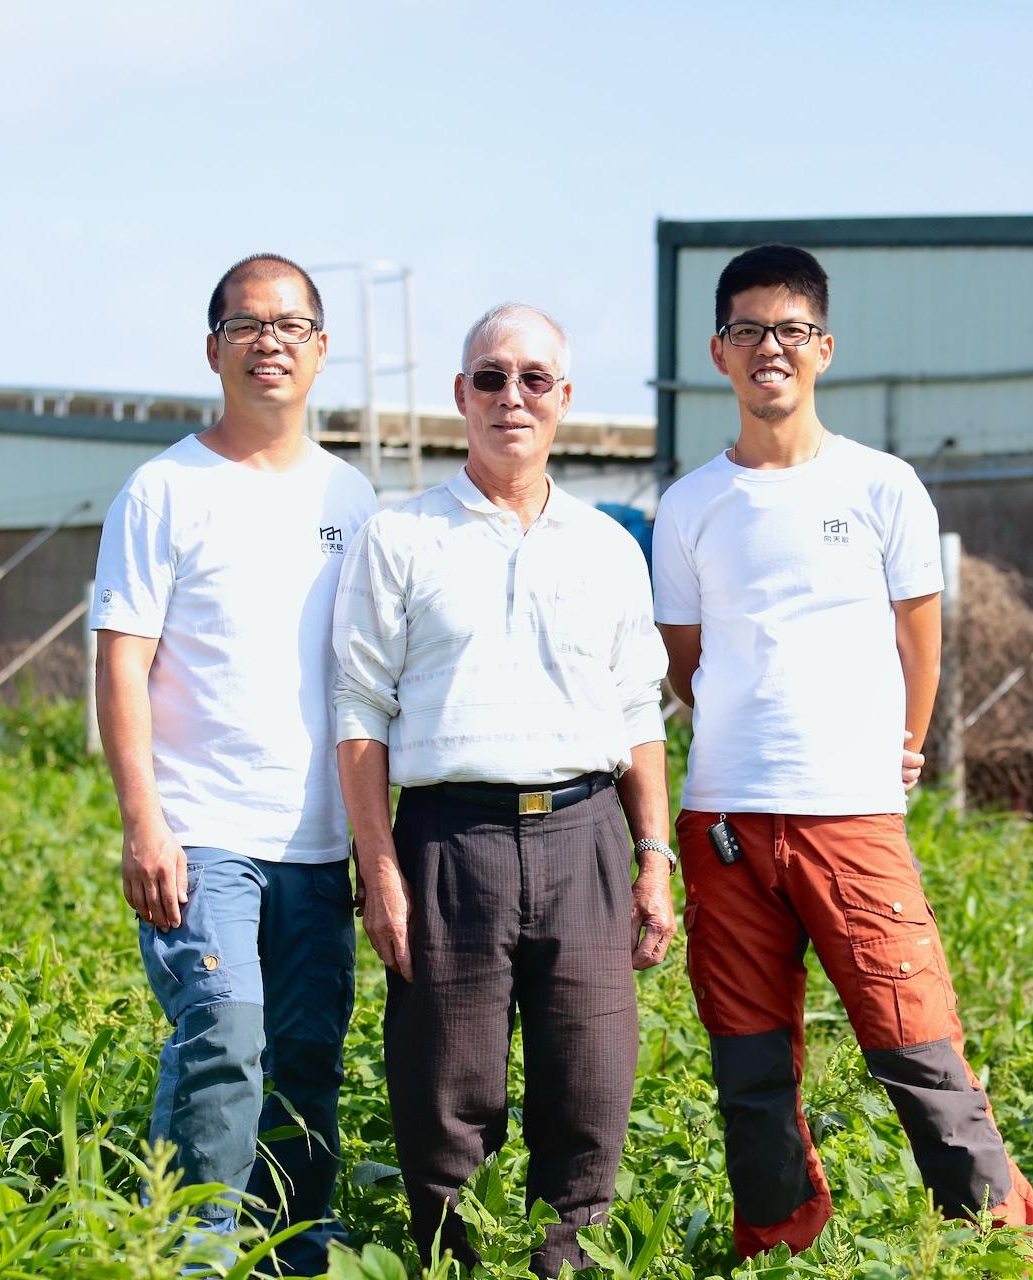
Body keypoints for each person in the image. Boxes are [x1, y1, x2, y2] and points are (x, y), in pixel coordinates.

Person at [652, 245, 1033, 1268]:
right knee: (750, 1067)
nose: (769, 348)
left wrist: (904, 748)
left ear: (824, 348)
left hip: (853, 816)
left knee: (917, 1045)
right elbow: (686, 663)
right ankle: (777, 1243)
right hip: (728, 824)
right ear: (719, 351)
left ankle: (1007, 1248)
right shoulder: (689, 504)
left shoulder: (883, 487)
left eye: (790, 329)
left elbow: (921, 640)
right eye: (748, 330)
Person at [332, 303, 674, 1277]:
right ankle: (459, 1267)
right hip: (450, 840)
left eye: (533, 378)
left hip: (585, 838)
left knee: (593, 1093)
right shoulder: (401, 536)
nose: (510, 395)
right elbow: (360, 707)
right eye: (490, 377)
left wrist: (655, 854)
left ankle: (565, 1264)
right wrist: (381, 867)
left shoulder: (607, 545)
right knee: (445, 1102)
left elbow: (638, 706)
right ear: (460, 396)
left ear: (563, 398)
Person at [91, 252, 377, 1272]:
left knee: (305, 1063)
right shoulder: (165, 487)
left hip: (315, 840)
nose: (271, 343)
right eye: (249, 326)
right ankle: (190, 1253)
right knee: (225, 1040)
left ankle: (296, 1251)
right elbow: (121, 660)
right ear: (213, 348)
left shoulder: (353, 494)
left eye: (291, 325)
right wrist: (143, 821)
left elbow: (367, 673)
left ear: (321, 349)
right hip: (204, 832)